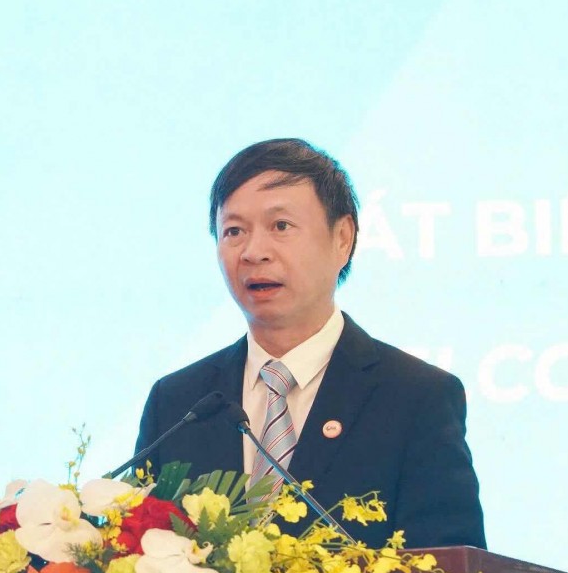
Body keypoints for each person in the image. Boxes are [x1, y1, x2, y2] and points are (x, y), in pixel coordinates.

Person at [135, 138, 486, 549]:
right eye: (234, 231)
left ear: (343, 238)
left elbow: (451, 572)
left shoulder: (416, 398)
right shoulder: (178, 404)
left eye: (280, 226)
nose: (253, 252)